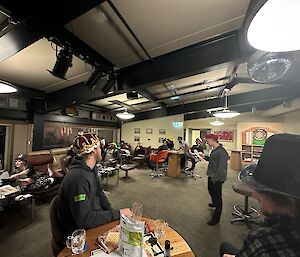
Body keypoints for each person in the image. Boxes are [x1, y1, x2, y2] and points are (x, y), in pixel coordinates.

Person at [220, 134, 300, 257]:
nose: (254, 193)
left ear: (289, 201)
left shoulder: (263, 242)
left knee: (224, 248)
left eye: (263, 190)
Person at [55, 132, 131, 241]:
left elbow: (100, 194)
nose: (101, 150)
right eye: (100, 147)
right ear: (94, 150)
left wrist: (114, 217)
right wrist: (117, 214)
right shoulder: (78, 179)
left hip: (93, 221)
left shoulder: (92, 169)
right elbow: (84, 220)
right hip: (79, 235)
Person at [201, 134, 228, 225]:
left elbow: (222, 168)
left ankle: (216, 219)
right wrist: (204, 157)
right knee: (211, 192)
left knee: (217, 197)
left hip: (216, 178)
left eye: (207, 140)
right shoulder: (215, 150)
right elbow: (213, 160)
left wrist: (215, 179)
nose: (206, 142)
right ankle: (214, 204)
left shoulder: (222, 152)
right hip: (211, 175)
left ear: (212, 139)